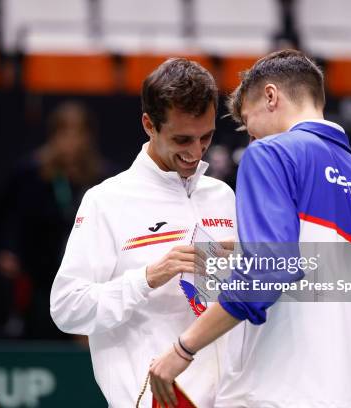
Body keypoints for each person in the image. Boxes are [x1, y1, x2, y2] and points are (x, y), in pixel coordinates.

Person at [149, 49, 351, 408]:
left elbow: (270, 270)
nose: (252, 141)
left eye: (251, 127)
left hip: (275, 394)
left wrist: (182, 348)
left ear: (270, 96)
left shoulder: (272, 154)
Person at [50, 58, 240, 407]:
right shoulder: (107, 201)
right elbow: (66, 309)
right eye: (182, 139)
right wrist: (148, 277)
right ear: (149, 125)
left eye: (206, 136)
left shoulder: (223, 197)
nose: (196, 152)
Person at [0, 101, 112, 340]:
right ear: (52, 136)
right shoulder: (29, 173)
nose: (70, 141)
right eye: (63, 132)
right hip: (39, 275)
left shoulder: (104, 177)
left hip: (88, 279)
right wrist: (5, 250)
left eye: (77, 133)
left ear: (88, 137)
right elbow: (1, 214)